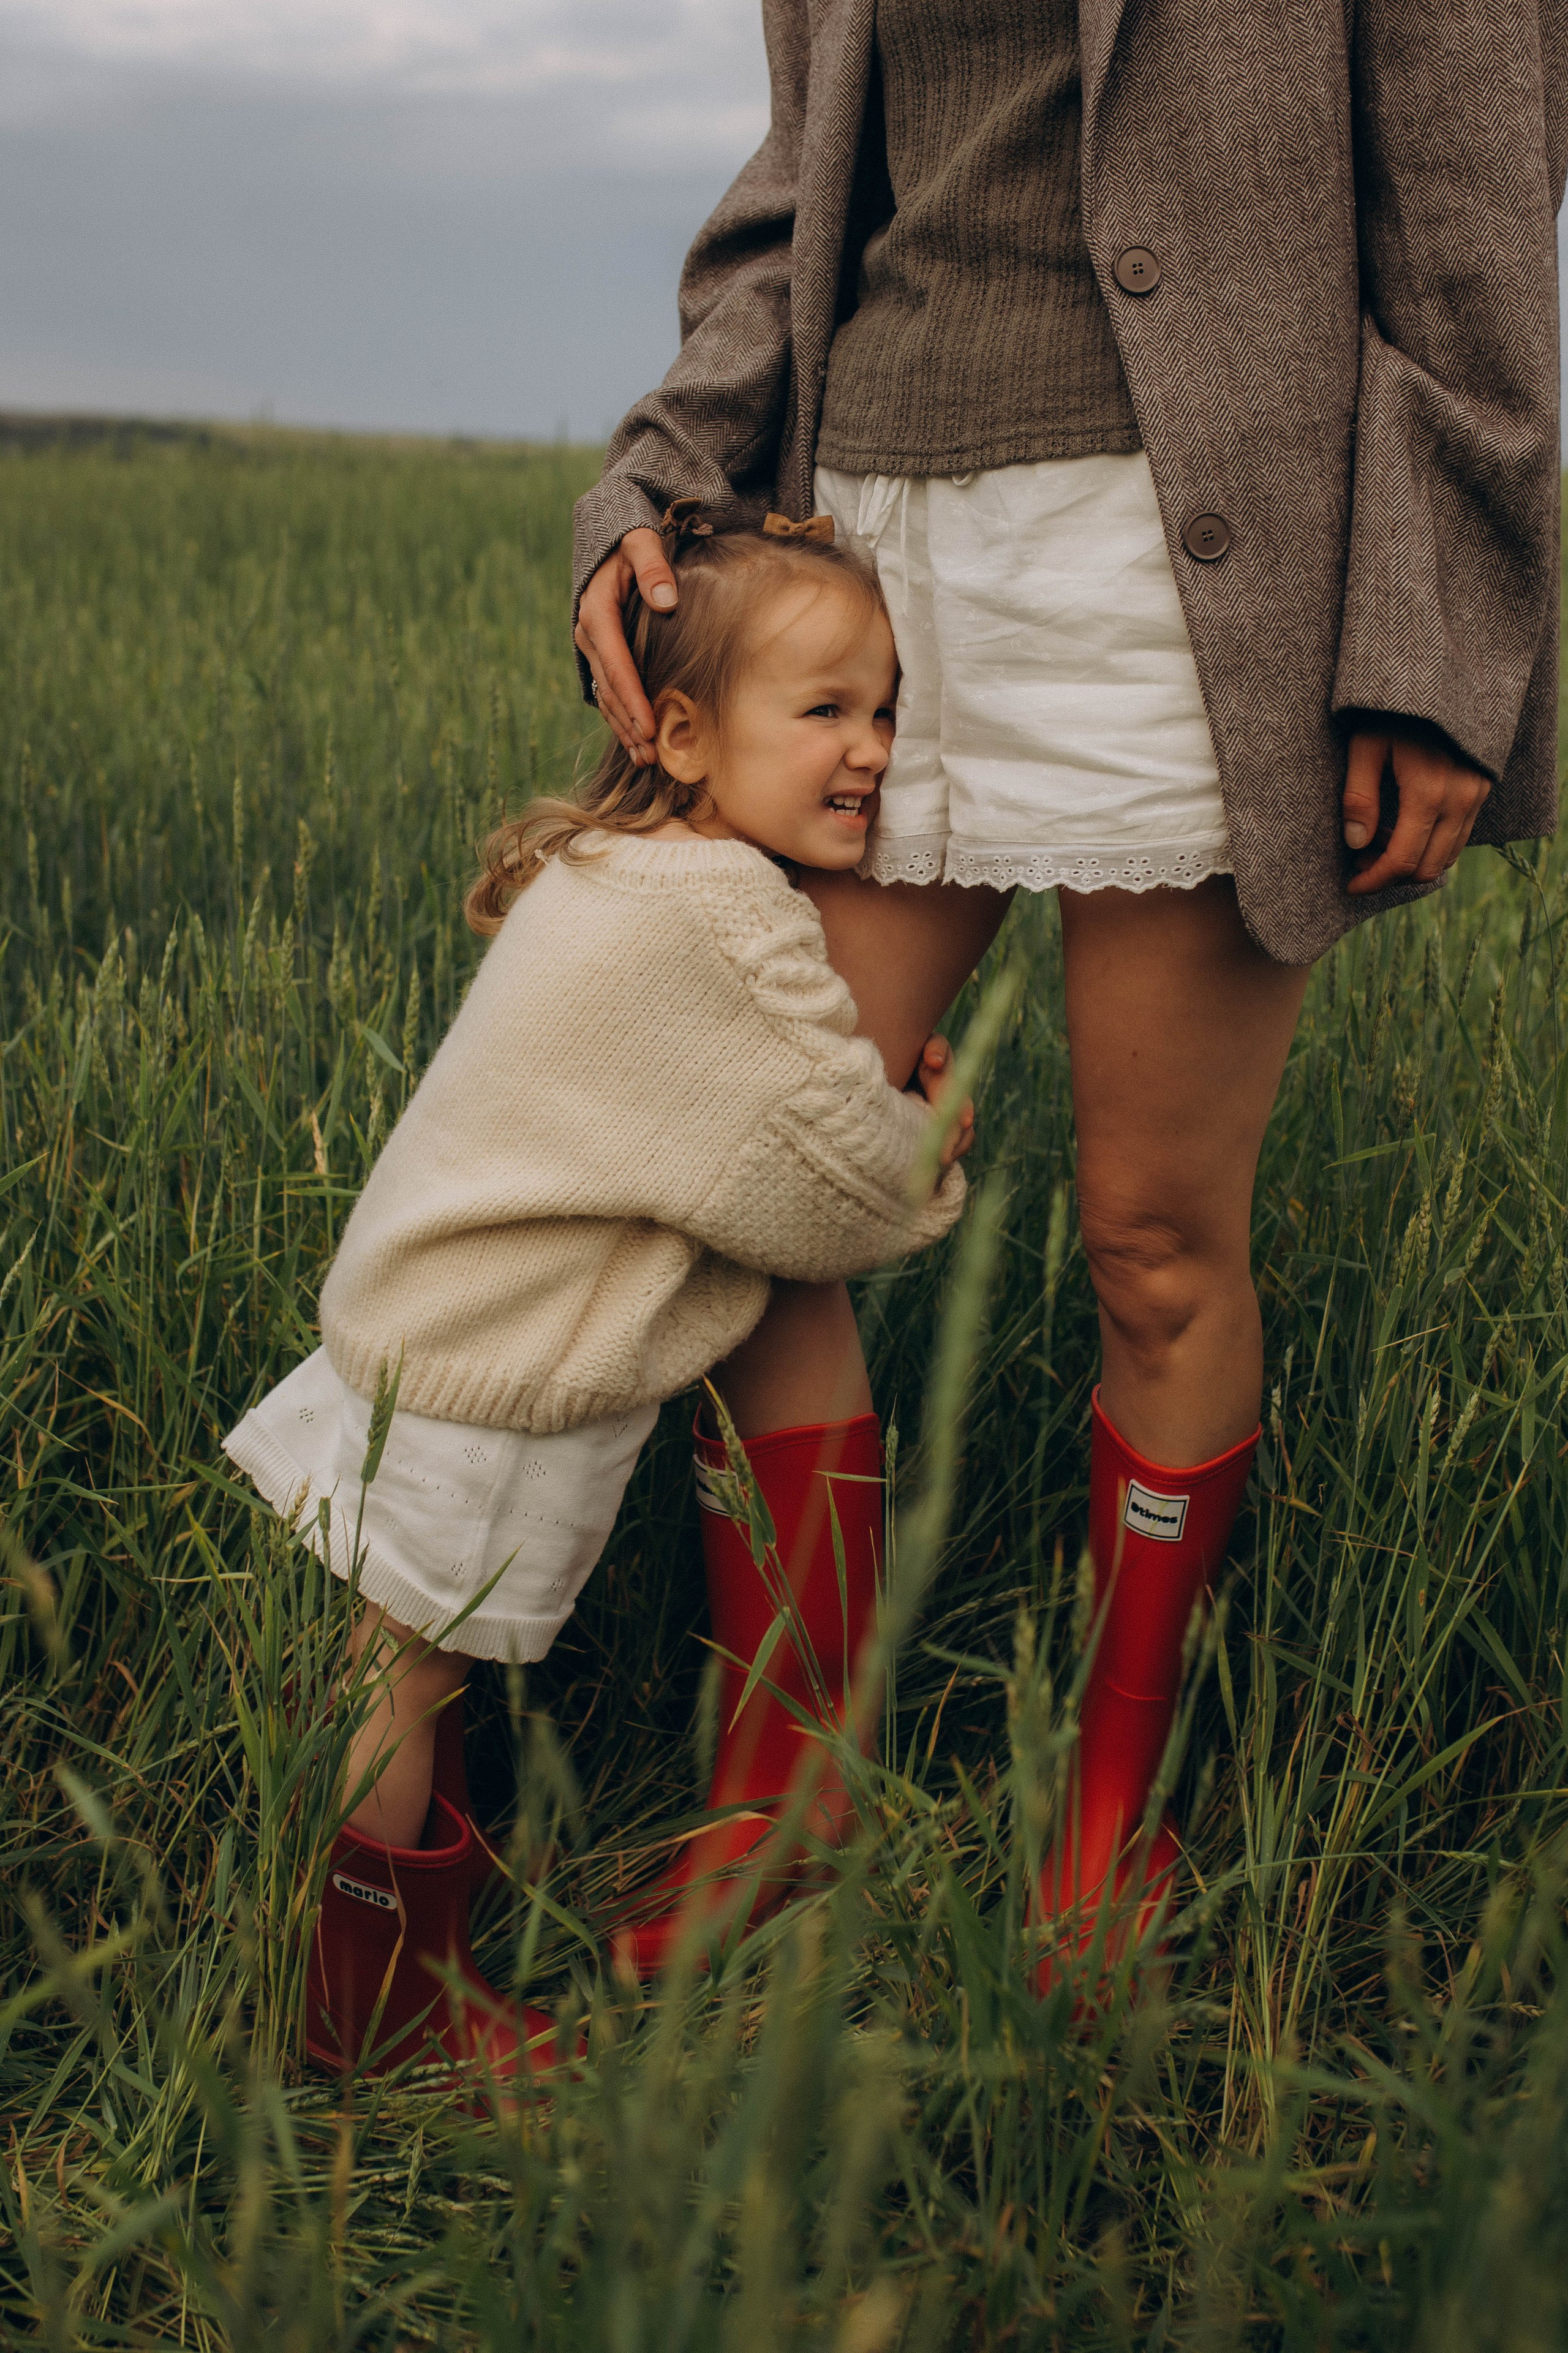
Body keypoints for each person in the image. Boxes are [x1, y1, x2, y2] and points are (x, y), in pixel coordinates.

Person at [571, 0, 1564, 1969]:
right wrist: (664, 474)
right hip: (854, 568)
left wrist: (1437, 633)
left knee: (1156, 1238)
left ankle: (1114, 1808)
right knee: (748, 1191)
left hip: (1190, 564)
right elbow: (800, 186)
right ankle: (785, 1791)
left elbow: (1468, 210)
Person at [223, 510, 974, 2082]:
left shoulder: (631, 871)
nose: (871, 750)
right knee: (404, 1674)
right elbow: (827, 1184)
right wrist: (930, 1136)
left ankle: (371, 1932)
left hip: (429, 1336)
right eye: (824, 710)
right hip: (505, 1372)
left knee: (384, 1663)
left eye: (887, 706)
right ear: (687, 735)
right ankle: (375, 2009)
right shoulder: (725, 916)